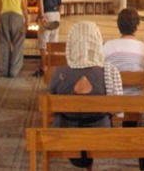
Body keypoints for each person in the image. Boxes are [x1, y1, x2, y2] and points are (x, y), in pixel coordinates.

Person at [49, 21, 123, 169]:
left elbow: (50, 99)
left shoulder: (59, 72)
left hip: (65, 133)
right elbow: (117, 108)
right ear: (97, 42)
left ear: (71, 43)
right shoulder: (109, 72)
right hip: (100, 135)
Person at [103, 8, 144, 95]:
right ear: (137, 26)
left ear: (118, 26)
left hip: (114, 100)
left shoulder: (107, 46)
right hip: (139, 101)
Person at [0, 0, 29, 77]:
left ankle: (4, 71)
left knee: (4, 44)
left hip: (4, 16)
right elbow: (23, 5)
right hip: (17, 16)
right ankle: (14, 71)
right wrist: (27, 20)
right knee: (18, 44)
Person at [34, 0, 62, 76]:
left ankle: (44, 67)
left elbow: (40, 0)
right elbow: (60, 5)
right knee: (53, 42)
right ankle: (52, 67)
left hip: (46, 14)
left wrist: (41, 15)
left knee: (43, 41)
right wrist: (58, 16)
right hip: (56, 15)